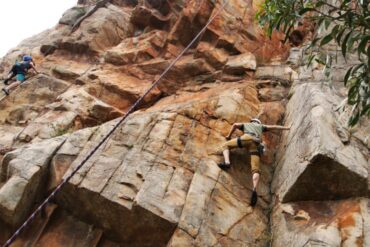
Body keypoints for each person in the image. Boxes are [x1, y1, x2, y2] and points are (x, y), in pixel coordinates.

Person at [218, 118, 291, 207]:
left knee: (225, 145)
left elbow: (235, 125)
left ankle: (227, 162)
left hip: (247, 138)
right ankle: (254, 189)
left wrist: (228, 136)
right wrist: (287, 127)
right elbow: (274, 127)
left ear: (252, 122)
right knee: (255, 169)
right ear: (258, 123)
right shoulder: (261, 127)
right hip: (256, 144)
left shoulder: (247, 124)